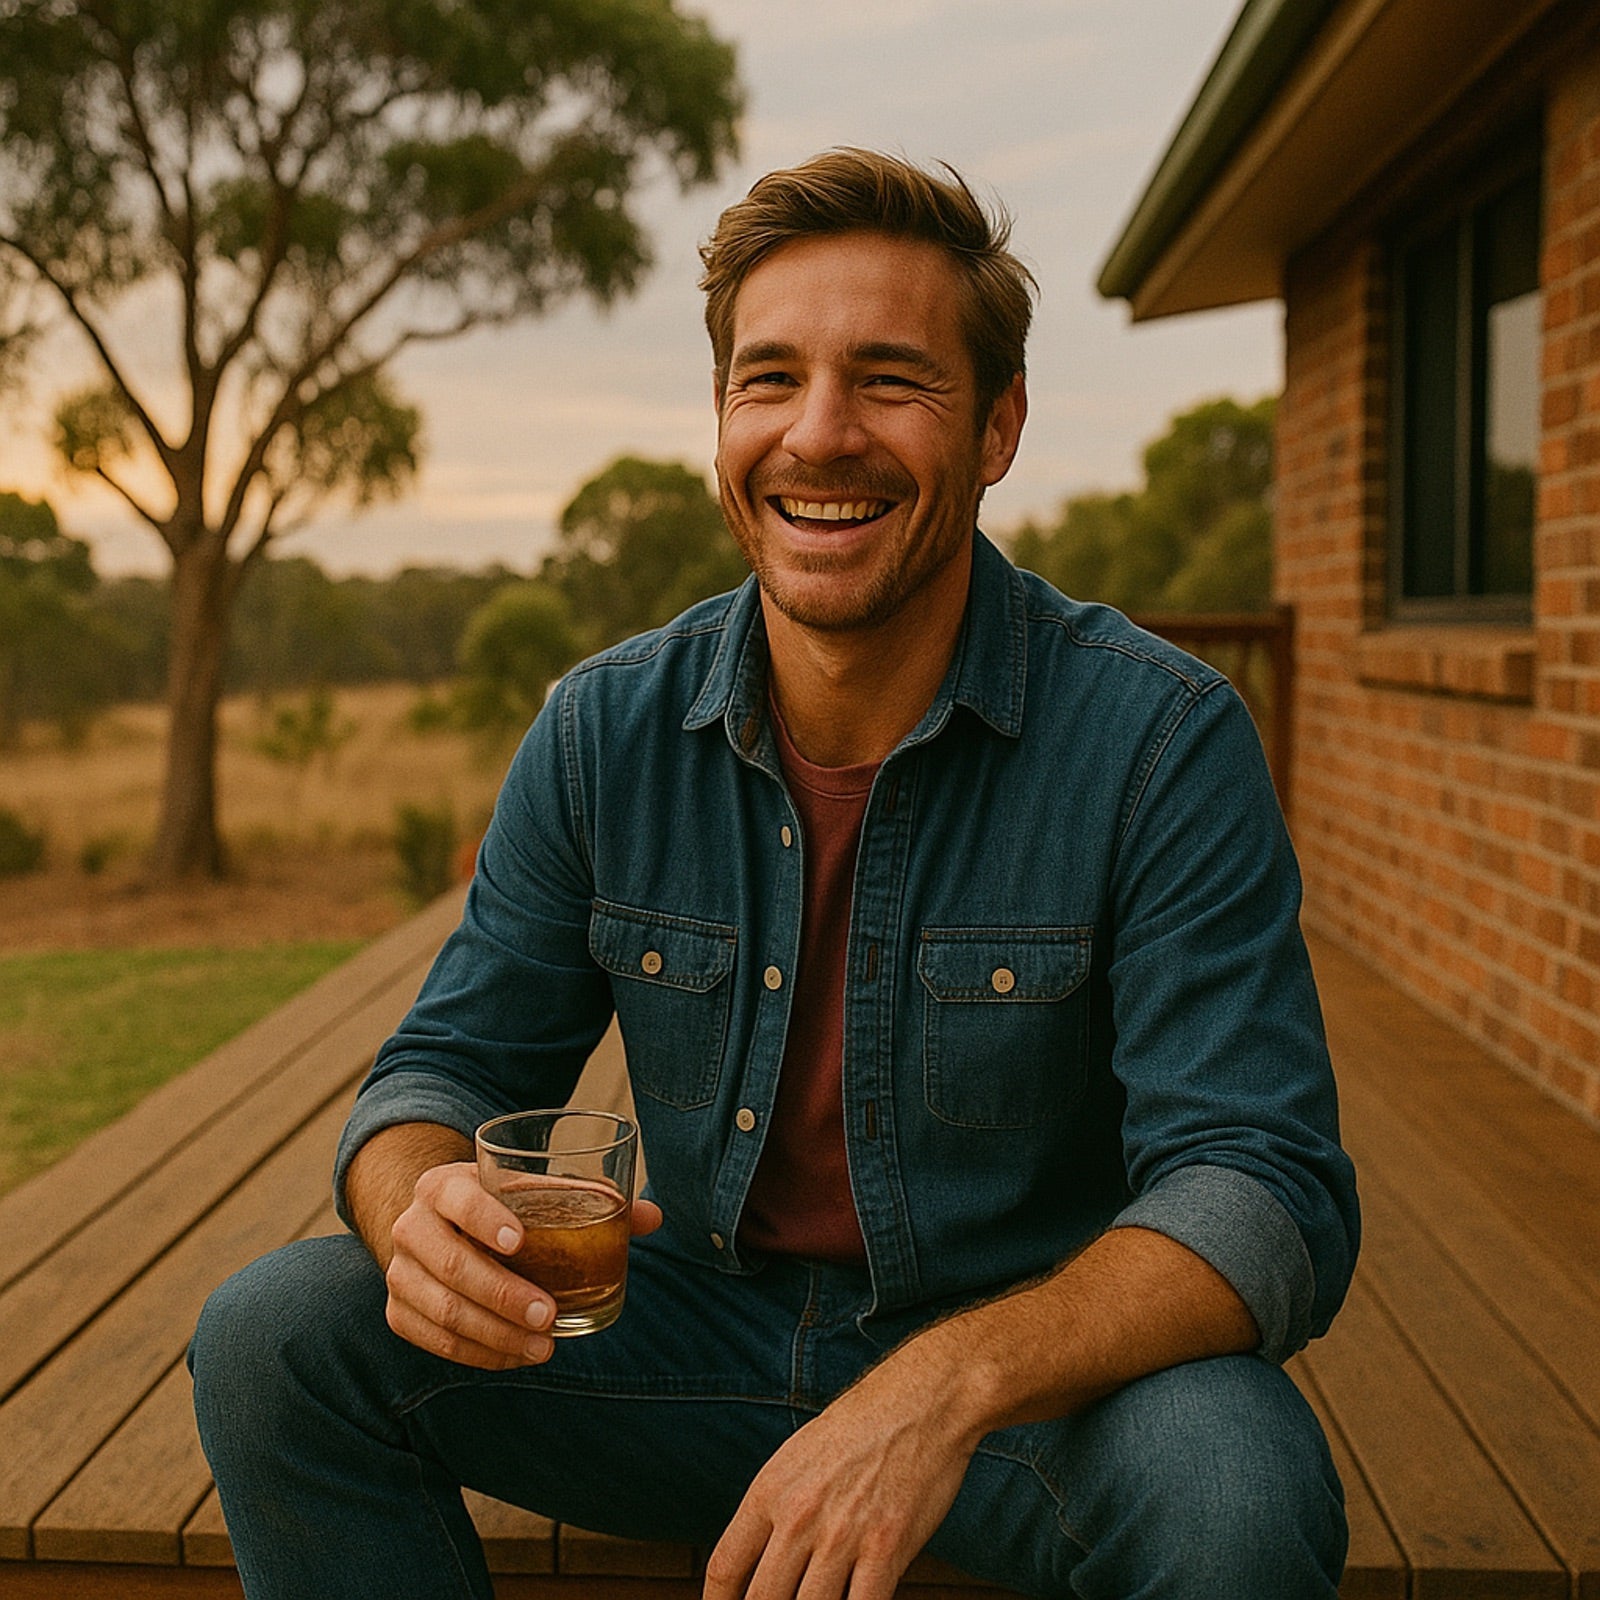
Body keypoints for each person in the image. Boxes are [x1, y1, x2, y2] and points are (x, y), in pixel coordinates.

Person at [191, 149, 1359, 1600]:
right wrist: (416, 1208)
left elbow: (1262, 1184)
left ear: (996, 426)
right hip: (686, 1348)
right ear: (723, 419)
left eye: (889, 379)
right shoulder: (603, 730)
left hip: (1032, 1396)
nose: (820, 435)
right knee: (274, 1337)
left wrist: (942, 1389)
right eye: (768, 379)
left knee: (1239, 1485)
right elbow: (439, 1067)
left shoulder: (1161, 742)